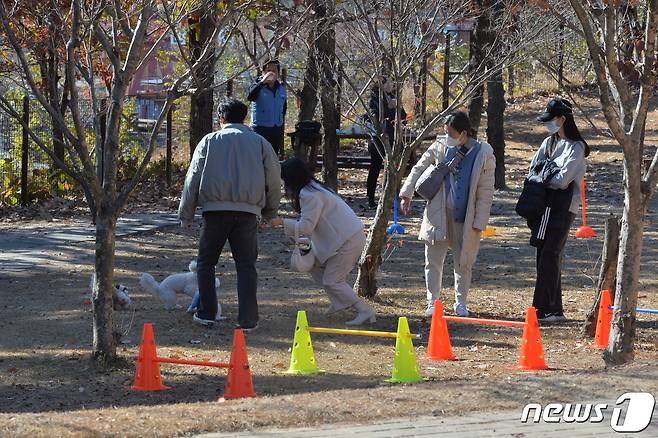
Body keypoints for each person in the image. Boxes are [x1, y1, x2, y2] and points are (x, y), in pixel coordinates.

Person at [178, 98, 281, 329]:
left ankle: (207, 312)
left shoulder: (209, 141)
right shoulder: (260, 142)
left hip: (214, 211)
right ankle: (248, 319)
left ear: (220, 118)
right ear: (244, 117)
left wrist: (186, 213)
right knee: (246, 266)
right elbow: (274, 179)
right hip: (247, 213)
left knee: (206, 263)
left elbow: (192, 178)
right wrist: (270, 211)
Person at [399, 111, 495, 318]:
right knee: (432, 259)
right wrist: (406, 192)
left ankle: (461, 303)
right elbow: (419, 167)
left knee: (463, 261)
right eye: (446, 132)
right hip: (437, 213)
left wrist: (480, 221)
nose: (447, 135)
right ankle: (432, 301)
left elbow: (486, 191)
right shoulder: (440, 146)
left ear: (463, 133)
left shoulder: (483, 154)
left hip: (465, 217)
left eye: (451, 132)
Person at [270, 157, 376, 325]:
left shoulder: (308, 194)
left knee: (332, 280)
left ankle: (365, 310)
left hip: (348, 239)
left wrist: (281, 222)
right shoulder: (315, 188)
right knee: (314, 266)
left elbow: (306, 226)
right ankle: (338, 302)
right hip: (346, 236)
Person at [527, 97, 589, 322]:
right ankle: (553, 308)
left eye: (551, 120)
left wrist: (545, 176)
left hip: (564, 207)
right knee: (543, 253)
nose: (548, 124)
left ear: (563, 119)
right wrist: (546, 176)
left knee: (551, 255)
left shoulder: (577, 147)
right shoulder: (549, 142)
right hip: (543, 206)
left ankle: (544, 308)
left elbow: (563, 181)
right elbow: (534, 170)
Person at [367, 76, 407, 208]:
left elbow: (403, 119)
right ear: (381, 85)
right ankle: (371, 199)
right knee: (375, 167)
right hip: (378, 139)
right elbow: (374, 117)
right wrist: (387, 108)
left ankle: (391, 199)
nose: (391, 84)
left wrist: (398, 108)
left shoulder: (394, 98)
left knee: (393, 169)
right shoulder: (374, 99)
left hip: (394, 139)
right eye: (388, 82)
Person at [247, 59, 287, 156]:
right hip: (259, 129)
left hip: (276, 129)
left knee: (272, 158)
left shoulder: (281, 89)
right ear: (263, 72)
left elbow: (284, 108)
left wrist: (280, 122)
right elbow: (250, 97)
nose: (271, 73)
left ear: (278, 74)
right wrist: (262, 82)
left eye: (274, 71)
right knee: (258, 158)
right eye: (268, 70)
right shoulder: (256, 86)